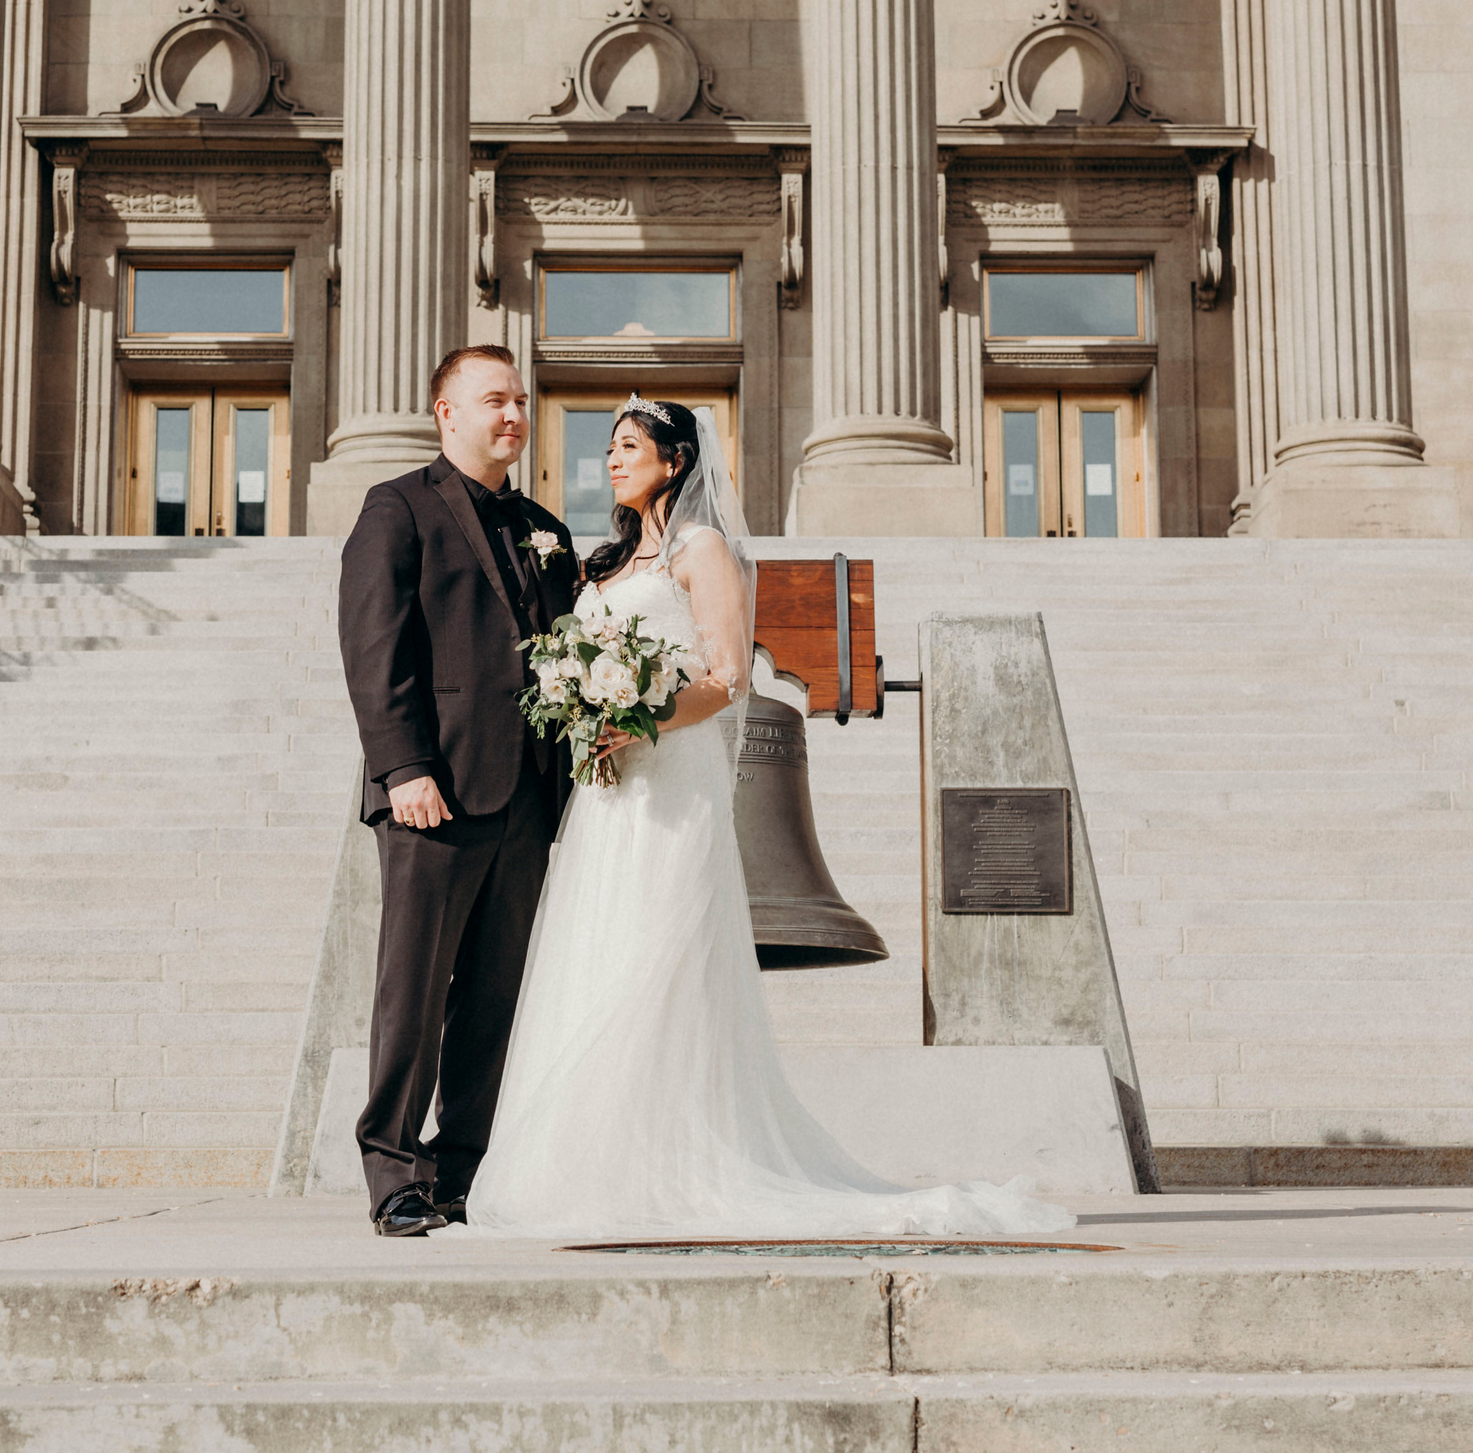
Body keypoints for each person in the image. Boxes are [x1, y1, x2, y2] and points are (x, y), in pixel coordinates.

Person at [451, 396, 1075, 1239]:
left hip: (672, 784)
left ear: (676, 461)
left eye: (630, 446)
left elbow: (729, 675)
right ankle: (601, 1165)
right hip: (609, 796)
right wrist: (587, 719)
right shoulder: (603, 563)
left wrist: (632, 717)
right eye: (608, 447)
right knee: (598, 956)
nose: (612, 459)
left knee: (656, 960)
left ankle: (673, 1164)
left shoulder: (703, 550)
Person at [336, 345, 579, 1236]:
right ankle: (391, 1170)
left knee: (494, 992)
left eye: (520, 400)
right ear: (446, 412)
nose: (513, 415)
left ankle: (462, 1166)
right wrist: (402, 766)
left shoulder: (545, 526)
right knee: (415, 985)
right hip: (433, 789)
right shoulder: (398, 507)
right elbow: (375, 644)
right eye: (493, 401)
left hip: (527, 796)